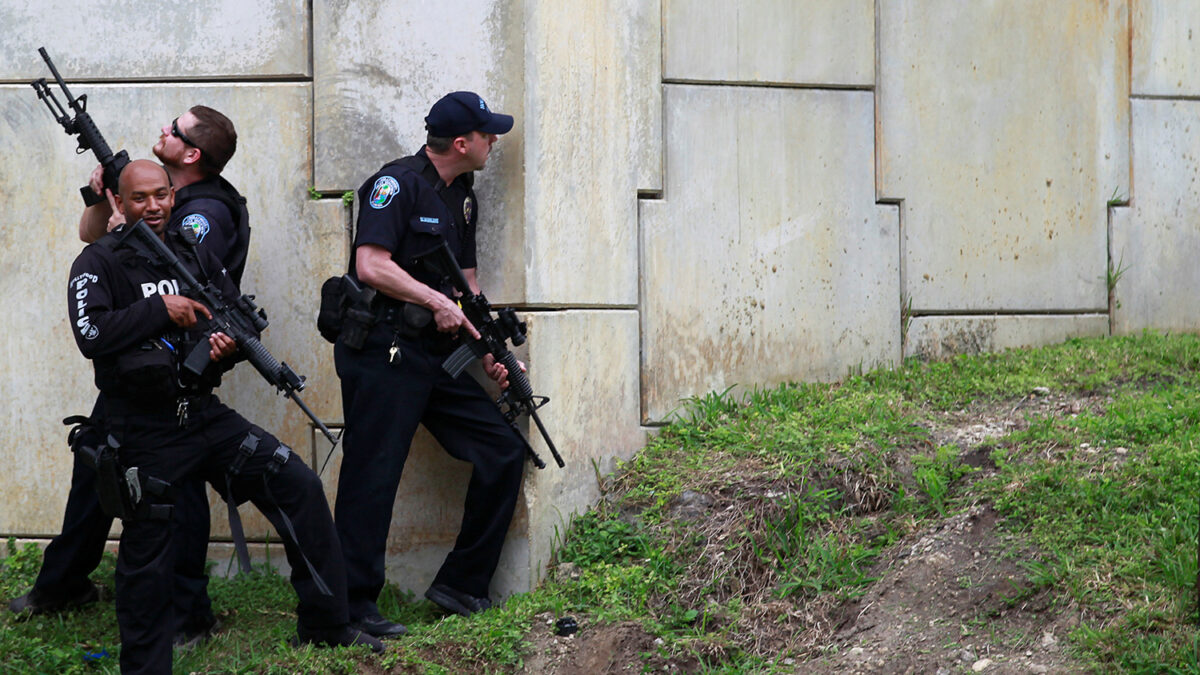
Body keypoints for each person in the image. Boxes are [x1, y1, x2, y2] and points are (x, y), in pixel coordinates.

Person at [67, 159, 382, 673]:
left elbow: (227, 313)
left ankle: (328, 624)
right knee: (148, 556)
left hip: (204, 417)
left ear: (173, 196)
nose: (153, 207)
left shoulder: (192, 252)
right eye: (139, 199)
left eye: (161, 196)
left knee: (298, 485)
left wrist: (223, 348)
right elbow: (91, 335)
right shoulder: (97, 263)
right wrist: (161, 310)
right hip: (144, 431)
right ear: (119, 204)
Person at [10, 107, 249, 648]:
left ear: (189, 158)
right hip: (134, 369)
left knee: (176, 491)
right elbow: (89, 238)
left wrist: (129, 227)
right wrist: (105, 201)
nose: (162, 130)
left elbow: (185, 275)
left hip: (177, 375)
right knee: (97, 465)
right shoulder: (157, 201)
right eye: (143, 196)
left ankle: (191, 614)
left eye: (175, 130)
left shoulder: (202, 212)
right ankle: (62, 583)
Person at [332, 91, 526, 638]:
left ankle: (462, 585)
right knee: (373, 474)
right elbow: (371, 265)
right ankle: (351, 607)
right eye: (489, 134)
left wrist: (490, 347)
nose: (494, 142)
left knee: (503, 450)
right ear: (461, 142)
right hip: (383, 351)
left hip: (435, 354)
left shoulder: (462, 195)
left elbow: (467, 283)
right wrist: (433, 300)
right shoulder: (395, 184)